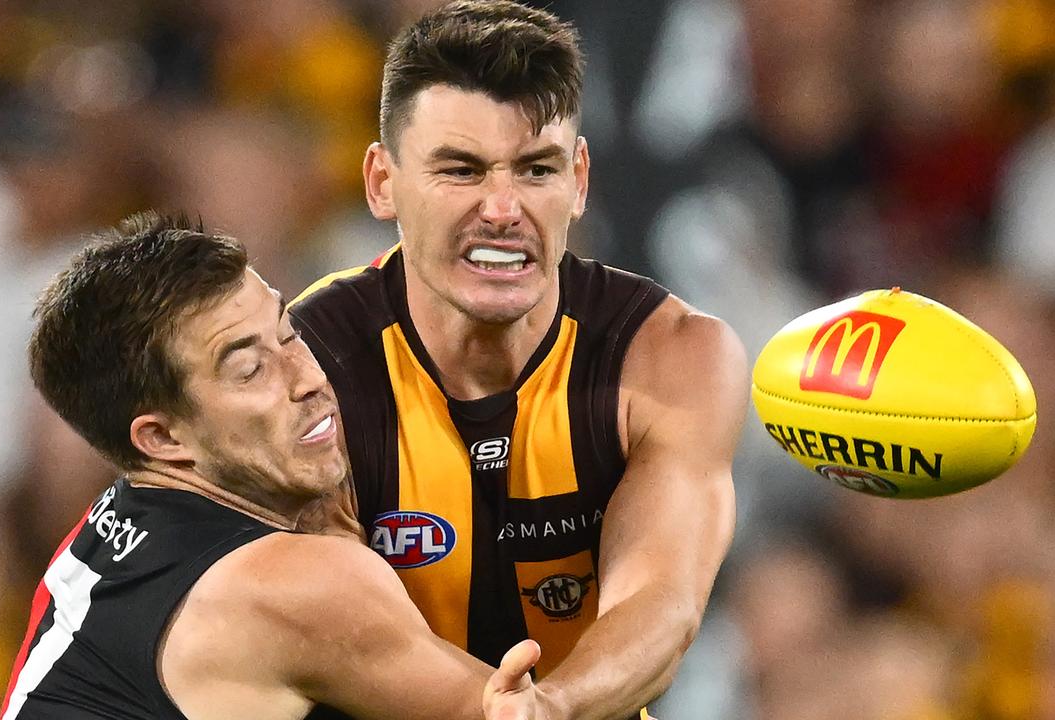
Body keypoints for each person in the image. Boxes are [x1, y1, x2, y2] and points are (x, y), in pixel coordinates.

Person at [288, 1, 748, 717]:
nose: (502, 208)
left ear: (579, 178)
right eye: (461, 170)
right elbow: (332, 638)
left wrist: (551, 709)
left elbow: (662, 605)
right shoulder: (309, 372)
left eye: (535, 169)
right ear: (382, 182)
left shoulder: (671, 357)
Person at [0, 211, 541, 720]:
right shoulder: (288, 584)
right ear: (162, 438)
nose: (307, 377)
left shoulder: (112, 526)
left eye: (288, 334)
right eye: (251, 369)